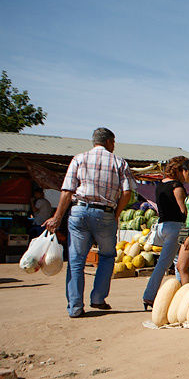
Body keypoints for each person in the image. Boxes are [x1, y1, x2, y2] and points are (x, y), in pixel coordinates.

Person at [44, 128, 135, 318]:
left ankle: (75, 307)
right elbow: (127, 192)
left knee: (76, 260)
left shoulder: (79, 159)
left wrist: (57, 217)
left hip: (79, 211)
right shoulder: (119, 162)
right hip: (105, 214)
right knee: (108, 256)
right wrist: (116, 214)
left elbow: (67, 191)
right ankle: (98, 298)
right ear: (109, 142)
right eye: (114, 142)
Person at [141, 156, 187, 309]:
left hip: (162, 226)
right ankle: (149, 296)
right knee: (167, 263)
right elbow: (183, 211)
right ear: (179, 171)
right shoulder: (177, 186)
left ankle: (180, 292)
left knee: (176, 261)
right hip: (176, 227)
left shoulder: (159, 185)